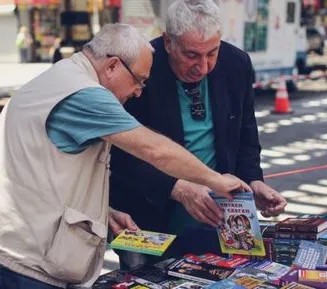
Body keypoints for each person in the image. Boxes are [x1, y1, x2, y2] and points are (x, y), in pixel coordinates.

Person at [0, 23, 250, 289]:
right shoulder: (84, 93)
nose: (138, 92)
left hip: (4, 243)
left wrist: (101, 212)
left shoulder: (65, 76)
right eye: (139, 81)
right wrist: (215, 179)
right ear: (112, 66)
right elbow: (154, 149)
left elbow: (42, 171)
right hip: (18, 258)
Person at [109, 0, 287, 269]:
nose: (203, 67)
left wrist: (253, 180)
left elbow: (246, 136)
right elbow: (120, 155)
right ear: (168, 43)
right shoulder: (141, 67)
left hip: (221, 221)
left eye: (212, 53)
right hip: (148, 217)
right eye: (191, 55)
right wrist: (177, 189)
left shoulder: (236, 63)